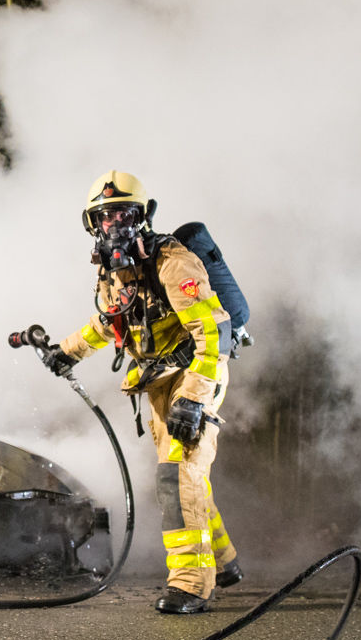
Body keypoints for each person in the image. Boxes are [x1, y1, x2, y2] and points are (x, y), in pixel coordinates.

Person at [44, 171, 240, 614]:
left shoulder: (173, 262)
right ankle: (225, 561)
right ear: (93, 224)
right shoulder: (114, 273)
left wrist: (195, 397)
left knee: (177, 474)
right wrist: (67, 351)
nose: (115, 225)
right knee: (188, 475)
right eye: (106, 217)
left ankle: (191, 584)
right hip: (159, 382)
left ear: (144, 216)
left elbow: (214, 335)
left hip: (197, 373)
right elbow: (110, 321)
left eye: (125, 215)